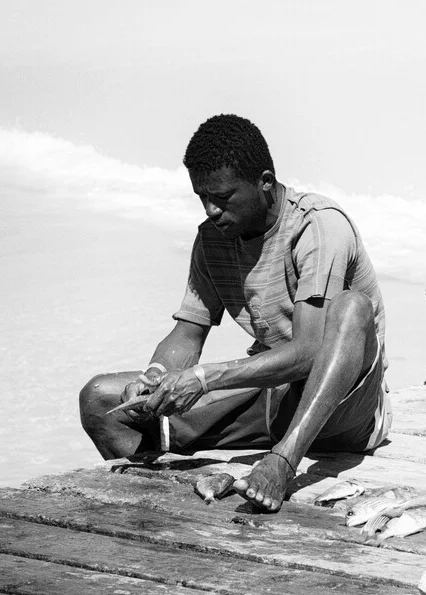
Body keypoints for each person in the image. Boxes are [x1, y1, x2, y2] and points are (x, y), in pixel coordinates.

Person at [79, 114, 390, 512]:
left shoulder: (318, 227)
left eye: (223, 198)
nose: (211, 210)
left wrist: (205, 379)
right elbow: (188, 335)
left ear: (264, 181)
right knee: (100, 400)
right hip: (274, 397)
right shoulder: (212, 238)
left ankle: (281, 462)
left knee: (352, 307)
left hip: (347, 410)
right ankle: (157, 511)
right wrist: (154, 376)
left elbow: (310, 351)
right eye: (202, 197)